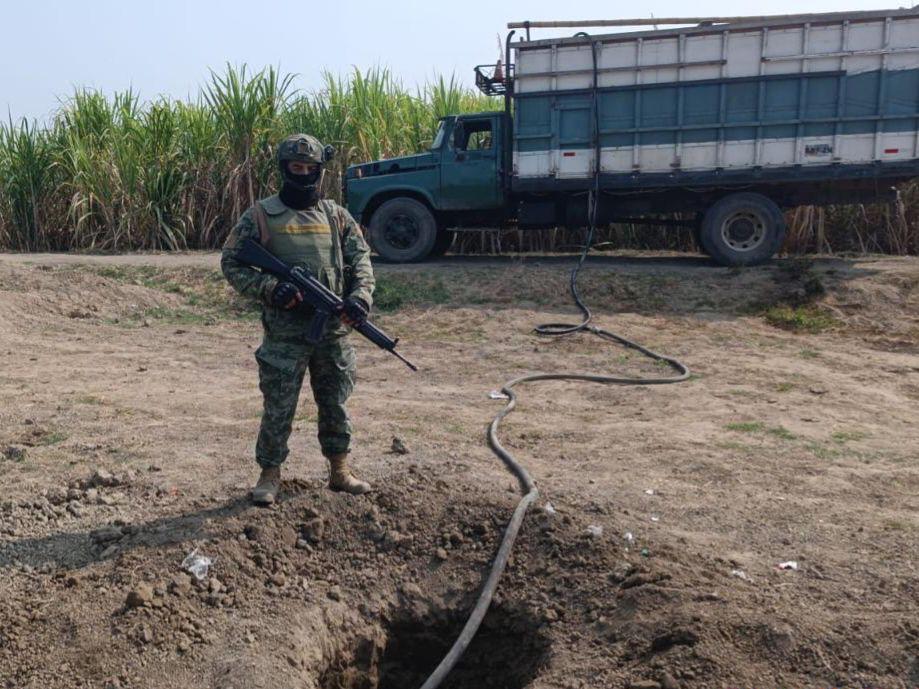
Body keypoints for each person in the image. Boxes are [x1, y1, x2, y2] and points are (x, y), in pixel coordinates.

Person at [221, 134, 375, 505]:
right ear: (284, 169)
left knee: (335, 402)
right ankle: (269, 474)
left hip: (333, 332)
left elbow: (362, 262)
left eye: (310, 169)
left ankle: (339, 469)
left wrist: (359, 298)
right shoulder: (259, 215)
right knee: (279, 406)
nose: (303, 174)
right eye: (296, 168)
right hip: (285, 334)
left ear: (320, 171)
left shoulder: (336, 216)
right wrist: (271, 289)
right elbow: (232, 262)